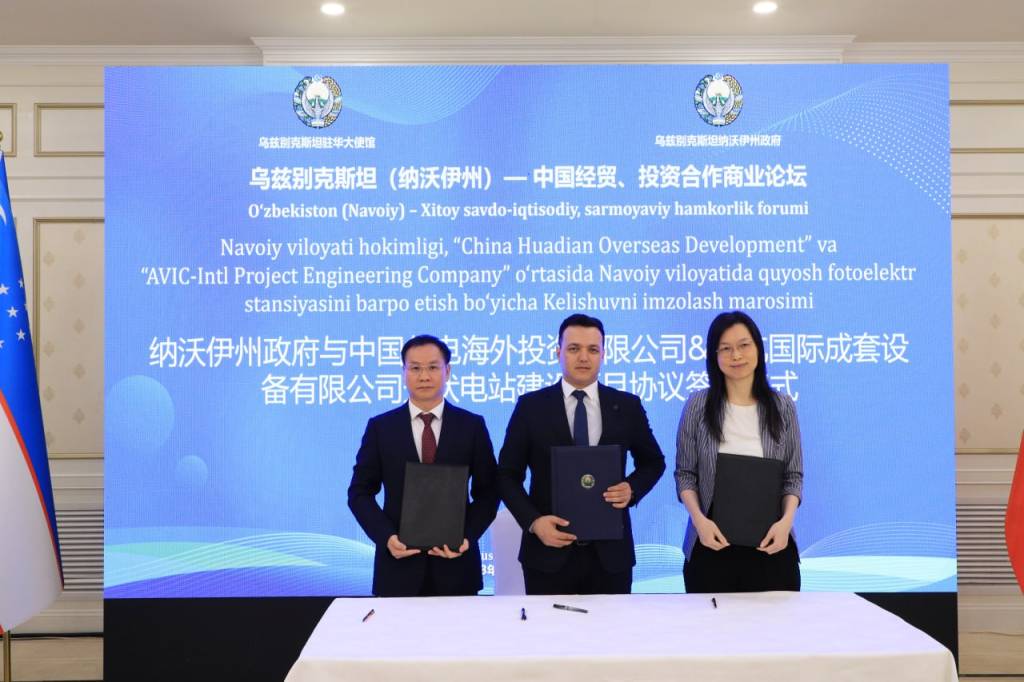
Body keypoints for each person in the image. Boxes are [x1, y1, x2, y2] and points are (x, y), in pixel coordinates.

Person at [498, 314, 665, 594]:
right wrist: (534, 522)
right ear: (558, 352)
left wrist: (632, 488)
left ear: (604, 354)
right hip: (547, 553)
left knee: (612, 624)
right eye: (574, 348)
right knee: (548, 625)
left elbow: (654, 462)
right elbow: (506, 475)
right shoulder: (531, 407)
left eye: (593, 349)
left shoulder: (627, 406)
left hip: (611, 556)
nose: (584, 357)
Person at [348, 334, 499, 597]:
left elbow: (489, 492)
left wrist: (466, 537)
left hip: (457, 567)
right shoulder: (381, 428)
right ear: (404, 372)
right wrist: (386, 538)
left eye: (432, 367)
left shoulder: (471, 426)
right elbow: (359, 493)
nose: (424, 376)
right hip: (397, 568)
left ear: (447, 371)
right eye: (415, 368)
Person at [675, 311, 804, 593]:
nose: (736, 355)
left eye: (744, 345)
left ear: (758, 348)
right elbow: (685, 474)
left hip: (772, 544)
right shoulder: (698, 405)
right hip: (711, 545)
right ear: (714, 356)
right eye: (725, 348)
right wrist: (699, 521)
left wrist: (785, 523)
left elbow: (793, 476)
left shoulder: (783, 406)